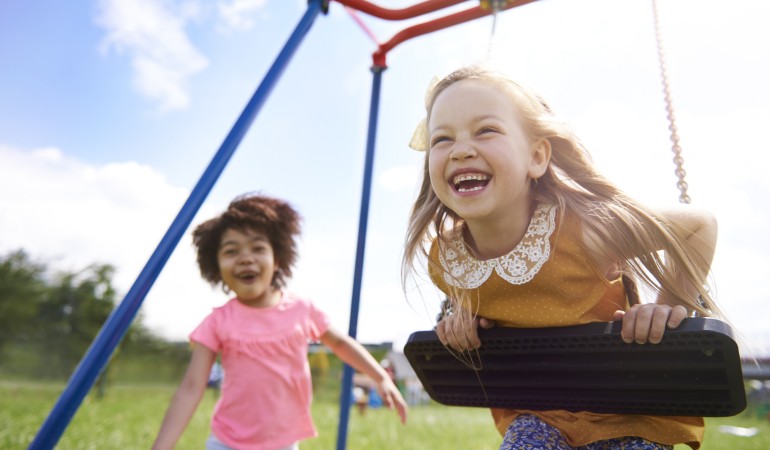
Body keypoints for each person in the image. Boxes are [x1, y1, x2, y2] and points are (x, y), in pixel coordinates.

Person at [402, 65, 724, 450]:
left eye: (486, 130)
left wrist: (666, 306)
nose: (462, 149)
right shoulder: (447, 259)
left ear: (536, 157)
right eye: (442, 138)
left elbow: (698, 225)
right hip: (539, 414)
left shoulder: (582, 232)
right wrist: (460, 323)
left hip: (631, 409)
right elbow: (483, 306)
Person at [152, 194, 407, 450]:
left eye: (258, 248)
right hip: (226, 443)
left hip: (283, 444)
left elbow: (340, 343)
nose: (246, 258)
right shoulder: (217, 321)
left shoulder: (301, 309)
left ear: (277, 260)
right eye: (231, 251)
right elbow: (191, 387)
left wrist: (379, 377)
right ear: (216, 266)